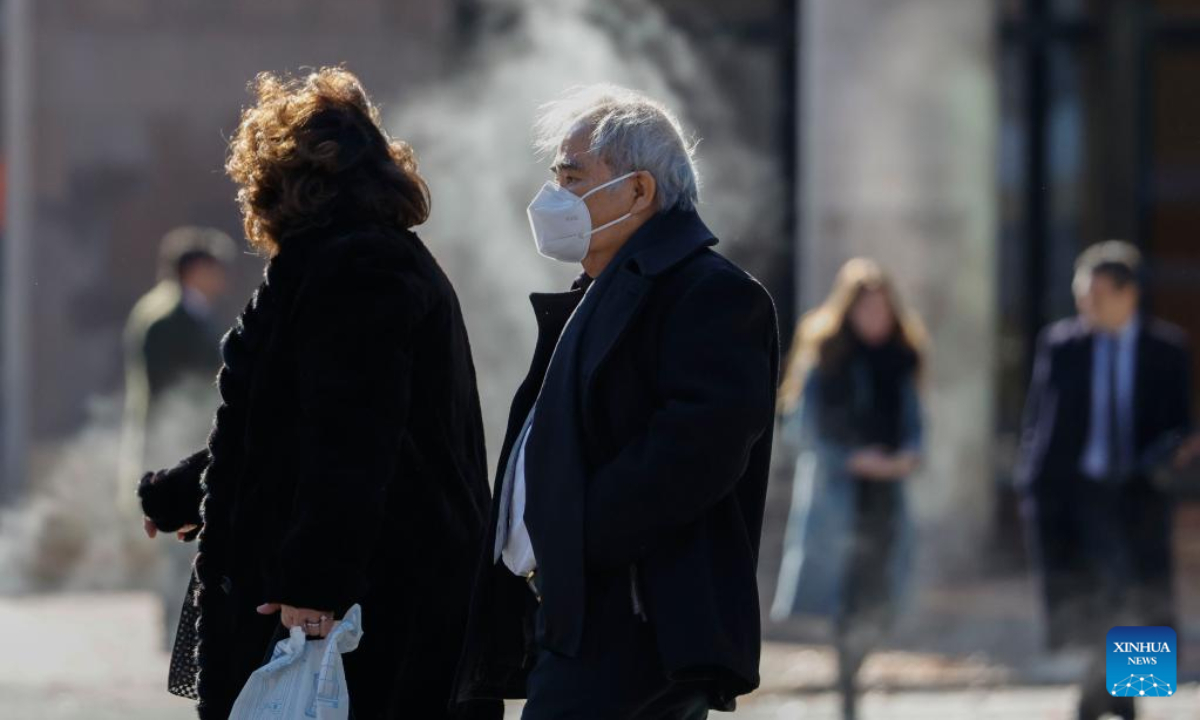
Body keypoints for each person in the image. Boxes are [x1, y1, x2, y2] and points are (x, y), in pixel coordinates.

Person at [135, 68, 500, 720]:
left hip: (369, 608)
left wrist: (315, 588)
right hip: (383, 592)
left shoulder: (354, 269)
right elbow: (284, 424)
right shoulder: (360, 259)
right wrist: (182, 492)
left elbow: (350, 445)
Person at [452, 85, 779, 720]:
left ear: (639, 191)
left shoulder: (708, 293)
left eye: (573, 177)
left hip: (636, 622)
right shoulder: (599, 289)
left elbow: (697, 451)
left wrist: (574, 537)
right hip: (581, 615)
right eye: (555, 175)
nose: (554, 195)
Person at [1017, 241, 1193, 720]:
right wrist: (1031, 480)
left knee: (1139, 594)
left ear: (1127, 294)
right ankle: (1106, 702)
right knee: (1090, 597)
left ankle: (1117, 702)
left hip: (1140, 496)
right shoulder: (1060, 344)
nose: (1084, 305)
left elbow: (1179, 424)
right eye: (1080, 295)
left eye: (1094, 295)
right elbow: (1038, 418)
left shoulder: (1167, 349)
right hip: (1076, 493)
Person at [770, 258, 925, 720]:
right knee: (1121, 606)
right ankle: (1116, 701)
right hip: (846, 500)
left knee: (1139, 603)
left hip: (1141, 508)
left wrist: (906, 457)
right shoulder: (1072, 349)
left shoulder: (1153, 353)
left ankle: (1115, 701)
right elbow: (805, 429)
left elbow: (917, 427)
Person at [119, 226, 234, 648]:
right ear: (195, 270)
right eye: (214, 269)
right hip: (178, 441)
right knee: (178, 545)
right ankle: (176, 629)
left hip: (187, 439)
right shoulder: (167, 318)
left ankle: (181, 625)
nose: (221, 279)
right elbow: (173, 388)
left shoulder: (188, 313)